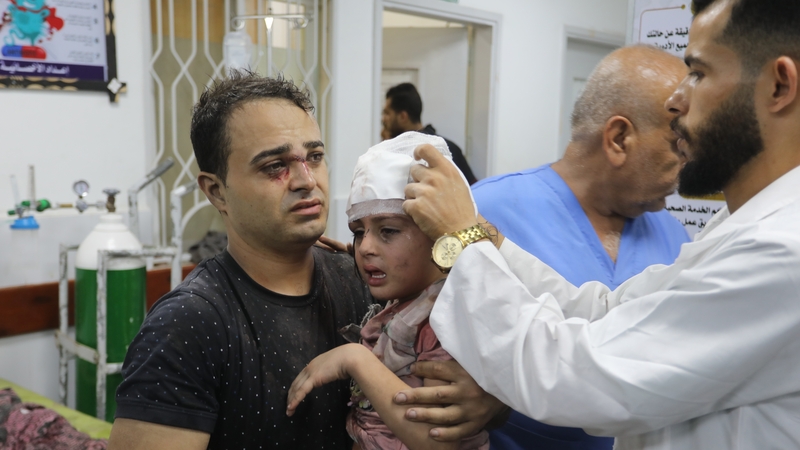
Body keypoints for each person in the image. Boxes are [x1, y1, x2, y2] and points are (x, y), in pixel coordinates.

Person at [398, 0, 800, 448]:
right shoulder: (744, 224)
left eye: (699, 73)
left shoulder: (782, 250)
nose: (677, 98)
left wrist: (464, 241)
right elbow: (611, 313)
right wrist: (487, 242)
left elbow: (581, 375)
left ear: (779, 85)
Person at [107, 71, 503, 450]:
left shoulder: (370, 279)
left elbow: (472, 386)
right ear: (217, 191)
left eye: (314, 157)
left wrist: (488, 402)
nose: (306, 180)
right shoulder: (189, 325)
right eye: (275, 166)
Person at [470, 46, 690, 450]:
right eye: (678, 142)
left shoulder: (679, 241)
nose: (688, 159)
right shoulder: (482, 215)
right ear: (619, 138)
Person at [287, 132, 489, 450]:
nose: (365, 247)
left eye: (388, 231)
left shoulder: (447, 318)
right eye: (358, 233)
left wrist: (355, 360)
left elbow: (439, 443)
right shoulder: (404, 299)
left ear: (438, 233)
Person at [383, 83, 478, 184]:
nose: (383, 119)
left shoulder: (448, 149)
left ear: (403, 116)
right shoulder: (451, 147)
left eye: (387, 113)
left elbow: (473, 190)